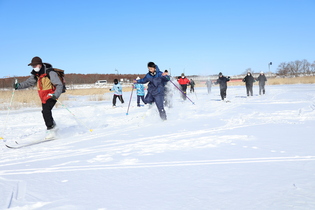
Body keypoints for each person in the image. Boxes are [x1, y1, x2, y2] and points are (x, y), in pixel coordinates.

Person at [14, 56, 63, 139]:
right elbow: (29, 82)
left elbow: (59, 85)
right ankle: (54, 126)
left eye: (35, 65)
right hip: (43, 97)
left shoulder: (50, 72)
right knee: (45, 112)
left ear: (40, 64)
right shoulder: (36, 74)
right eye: (32, 66)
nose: (34, 67)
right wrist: (18, 86)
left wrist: (55, 95)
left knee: (46, 111)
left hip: (52, 95)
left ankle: (51, 130)